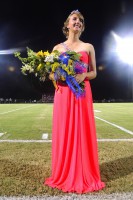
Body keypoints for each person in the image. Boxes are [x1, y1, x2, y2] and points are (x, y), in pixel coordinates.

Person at [44, 10, 105, 193]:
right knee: (64, 130)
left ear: (82, 26)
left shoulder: (88, 47)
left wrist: (84, 74)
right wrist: (57, 75)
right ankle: (63, 172)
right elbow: (50, 73)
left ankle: (84, 171)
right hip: (63, 93)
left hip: (82, 93)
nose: (77, 21)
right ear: (67, 25)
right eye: (74, 19)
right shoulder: (57, 48)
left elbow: (94, 72)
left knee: (82, 130)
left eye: (81, 20)